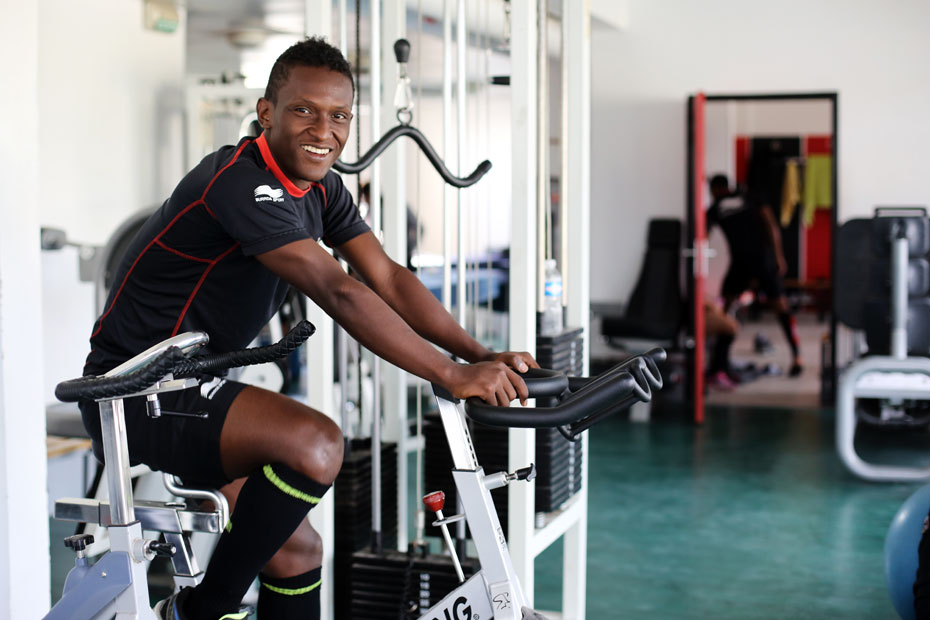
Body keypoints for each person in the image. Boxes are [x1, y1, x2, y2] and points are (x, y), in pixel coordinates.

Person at [80, 37, 537, 620]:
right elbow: (339, 290)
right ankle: (196, 613)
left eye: (339, 116)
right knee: (317, 444)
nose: (324, 131)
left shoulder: (321, 189)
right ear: (266, 113)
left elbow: (387, 277)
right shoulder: (238, 181)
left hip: (191, 386)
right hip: (134, 392)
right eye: (304, 111)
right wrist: (449, 373)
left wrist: (477, 354)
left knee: (297, 551)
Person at [706, 173, 803, 378]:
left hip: (742, 263)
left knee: (724, 311)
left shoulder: (715, 209)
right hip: (763, 261)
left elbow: (702, 235)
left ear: (714, 189)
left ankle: (717, 365)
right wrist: (779, 257)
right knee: (782, 310)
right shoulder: (750, 197)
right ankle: (797, 357)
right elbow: (771, 226)